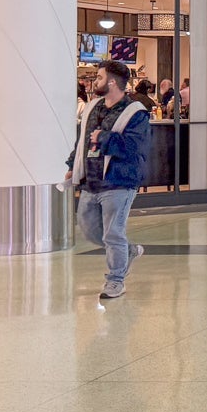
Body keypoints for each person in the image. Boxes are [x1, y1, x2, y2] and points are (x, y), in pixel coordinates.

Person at [66, 60, 151, 300]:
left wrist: (104, 137)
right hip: (91, 181)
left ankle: (116, 280)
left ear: (112, 82)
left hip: (119, 181)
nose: (95, 81)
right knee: (90, 229)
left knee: (113, 233)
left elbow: (134, 147)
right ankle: (127, 251)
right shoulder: (93, 107)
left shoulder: (135, 113)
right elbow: (82, 141)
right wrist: (73, 165)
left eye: (100, 77)